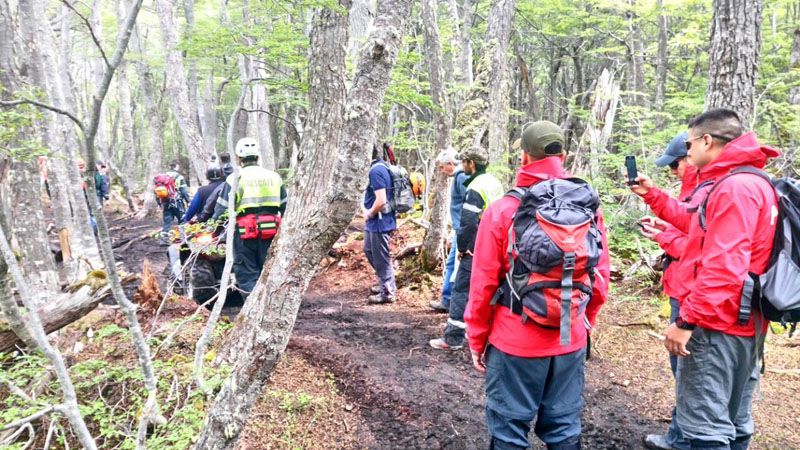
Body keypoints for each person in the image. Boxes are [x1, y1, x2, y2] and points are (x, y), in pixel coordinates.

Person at [630, 109, 778, 450]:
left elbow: (723, 267)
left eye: (688, 142)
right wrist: (652, 195)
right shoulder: (751, 181)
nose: (687, 149)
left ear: (706, 140)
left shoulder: (734, 189)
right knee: (733, 420)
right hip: (744, 320)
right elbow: (695, 225)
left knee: (705, 430)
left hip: (718, 324)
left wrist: (686, 320)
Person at [465, 121, 611, 449]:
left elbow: (483, 285)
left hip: (515, 340)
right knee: (563, 430)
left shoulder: (503, 210)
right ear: (565, 154)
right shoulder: (588, 209)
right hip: (569, 338)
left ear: (524, 158)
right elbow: (600, 276)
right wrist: (585, 320)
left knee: (509, 432)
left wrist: (476, 338)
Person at [639, 132, 696, 450]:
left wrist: (663, 239)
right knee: (683, 371)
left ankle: (683, 438)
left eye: (675, 164)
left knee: (689, 371)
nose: (673, 171)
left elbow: (699, 247)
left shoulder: (711, 191)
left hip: (692, 298)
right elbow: (684, 225)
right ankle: (680, 434)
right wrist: (663, 227)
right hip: (679, 289)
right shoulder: (690, 191)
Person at [429, 146, 503, 350]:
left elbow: (468, 221)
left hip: (477, 245)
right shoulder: (494, 182)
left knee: (461, 289)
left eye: (465, 162)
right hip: (495, 244)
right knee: (486, 290)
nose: (463, 166)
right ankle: (487, 334)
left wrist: (462, 247)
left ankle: (452, 338)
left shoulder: (476, 187)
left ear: (471, 163)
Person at [213, 138, 287, 297]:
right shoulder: (274, 177)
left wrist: (215, 231)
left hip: (244, 235)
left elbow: (221, 211)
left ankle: (253, 314)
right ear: (258, 156)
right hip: (272, 233)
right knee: (270, 273)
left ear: (239, 158)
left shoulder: (234, 178)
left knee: (248, 276)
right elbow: (286, 207)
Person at [429, 148, 468, 312]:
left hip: (463, 230)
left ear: (450, 164)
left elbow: (468, 202)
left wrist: (462, 229)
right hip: (460, 229)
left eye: (442, 167)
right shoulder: (460, 176)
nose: (441, 170)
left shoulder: (461, 177)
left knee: (455, 265)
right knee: (453, 265)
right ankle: (448, 299)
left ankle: (450, 301)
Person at [363, 144, 397, 304]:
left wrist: (369, 213)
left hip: (380, 221)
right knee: (369, 250)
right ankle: (385, 282)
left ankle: (388, 292)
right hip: (375, 222)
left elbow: (382, 200)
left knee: (381, 257)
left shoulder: (376, 170)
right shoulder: (379, 167)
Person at [158, 160, 191, 244]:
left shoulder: (163, 176)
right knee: (182, 219)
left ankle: (163, 240)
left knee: (167, 221)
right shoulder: (179, 176)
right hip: (177, 201)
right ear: (176, 166)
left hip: (165, 201)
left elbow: (158, 190)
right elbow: (183, 190)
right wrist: (188, 201)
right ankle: (183, 239)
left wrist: (159, 203)